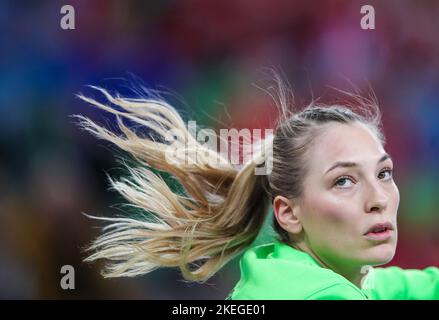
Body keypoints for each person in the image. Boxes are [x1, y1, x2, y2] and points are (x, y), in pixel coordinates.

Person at [76, 79, 439, 300]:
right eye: (343, 181)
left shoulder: (285, 269)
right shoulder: (319, 294)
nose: (378, 199)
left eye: (384, 173)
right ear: (288, 213)